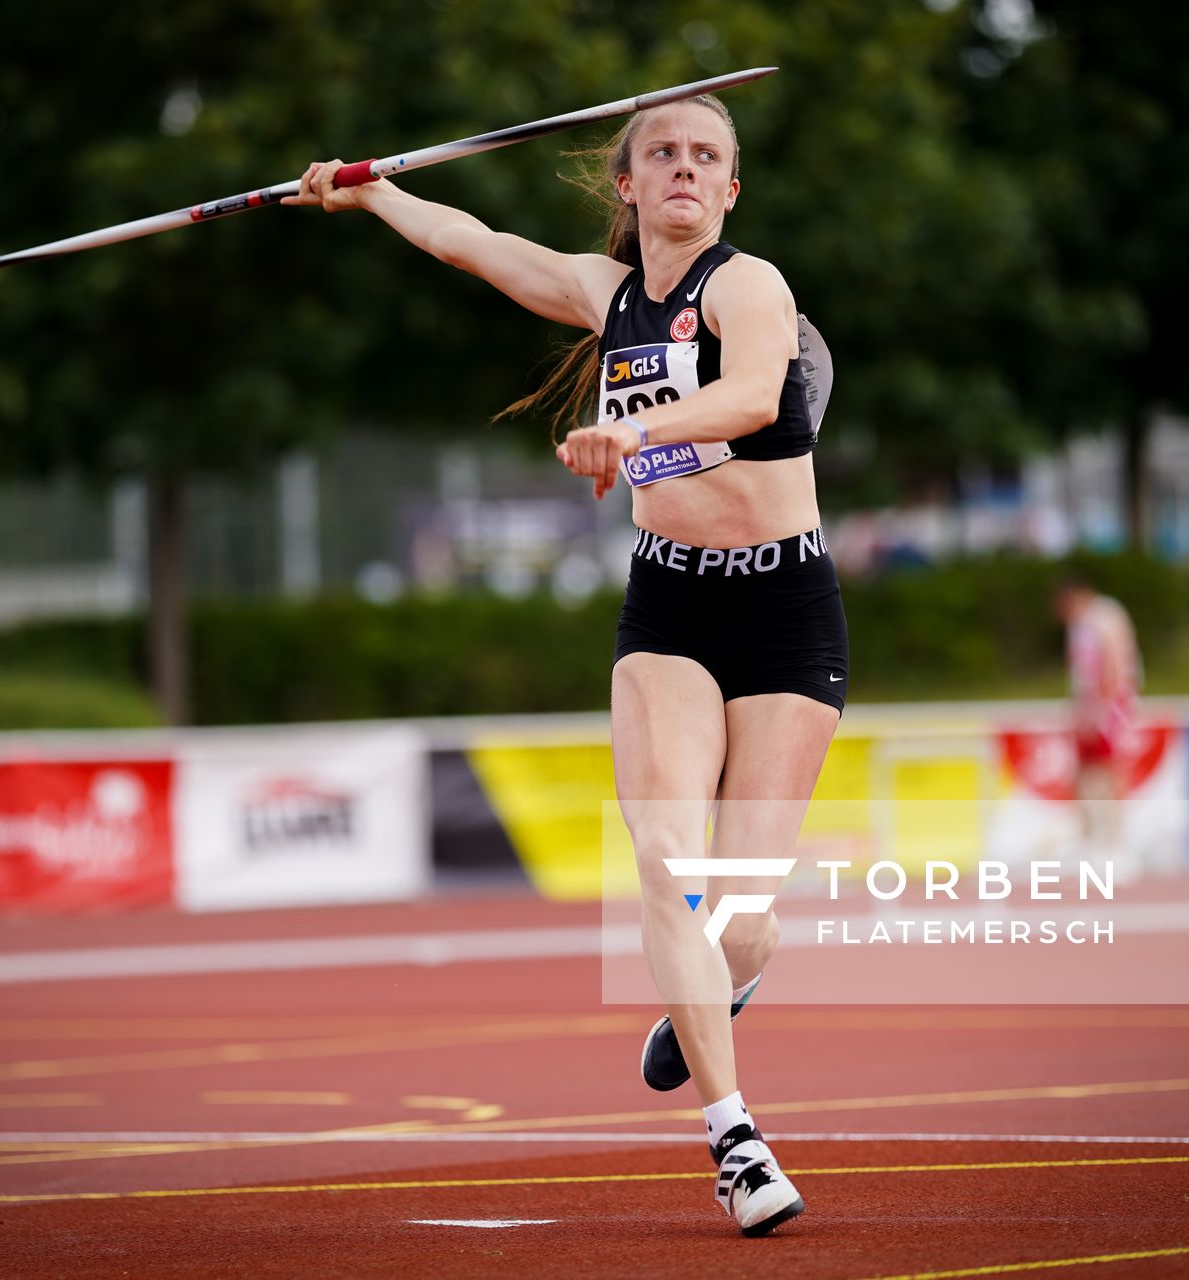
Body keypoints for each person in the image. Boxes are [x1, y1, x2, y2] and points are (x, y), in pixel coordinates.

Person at [287, 92, 840, 1238]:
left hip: (786, 608)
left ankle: (716, 991)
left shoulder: (748, 285)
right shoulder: (609, 295)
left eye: (706, 157)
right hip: (672, 604)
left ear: (730, 189)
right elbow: (476, 245)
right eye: (663, 155)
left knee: (742, 912)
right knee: (664, 861)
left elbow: (746, 399)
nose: (684, 169)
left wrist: (632, 434)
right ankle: (734, 1136)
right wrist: (370, 191)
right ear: (627, 187)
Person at [1054, 575, 1142, 870]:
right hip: (1089, 705)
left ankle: (1119, 843)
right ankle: (1088, 839)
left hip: (1109, 706)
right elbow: (1080, 669)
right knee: (1082, 771)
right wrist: (1080, 707)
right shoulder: (1077, 625)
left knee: (1112, 768)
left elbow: (1114, 659)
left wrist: (1105, 703)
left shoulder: (1105, 615)